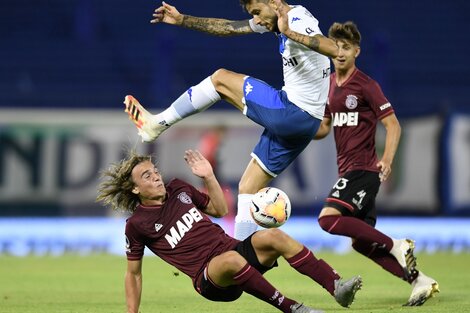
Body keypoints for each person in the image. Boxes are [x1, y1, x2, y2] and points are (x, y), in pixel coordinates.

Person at [123, 0, 339, 240]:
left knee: (220, 80)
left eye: (257, 12)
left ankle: (157, 123)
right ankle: (243, 261)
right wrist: (182, 19)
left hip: (293, 112)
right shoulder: (275, 20)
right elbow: (228, 27)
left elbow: (333, 48)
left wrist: (290, 32)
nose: (256, 19)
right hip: (306, 123)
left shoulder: (297, 20)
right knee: (247, 188)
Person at [96, 149, 362, 313]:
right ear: (134, 189)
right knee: (233, 260)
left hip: (233, 250)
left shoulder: (179, 188)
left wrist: (209, 176)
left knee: (273, 235)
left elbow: (219, 210)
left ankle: (335, 285)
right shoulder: (137, 225)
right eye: (146, 176)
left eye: (155, 171)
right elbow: (134, 273)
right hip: (209, 278)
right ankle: (293, 307)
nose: (156, 176)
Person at [309, 21, 439, 306]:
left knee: (327, 219)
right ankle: (419, 280)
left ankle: (396, 245)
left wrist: (387, 160)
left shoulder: (366, 85)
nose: (340, 53)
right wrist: (298, 129)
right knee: (361, 242)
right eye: (336, 47)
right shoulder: (329, 86)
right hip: (348, 170)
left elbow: (393, 126)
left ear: (357, 51)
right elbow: (323, 129)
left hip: (365, 169)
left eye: (346, 48)